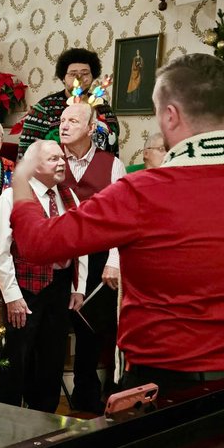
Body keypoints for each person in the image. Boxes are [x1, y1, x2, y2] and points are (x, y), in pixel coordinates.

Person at [9, 53, 224, 396]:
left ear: (170, 114)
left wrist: (23, 179)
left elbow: (39, 243)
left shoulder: (143, 191)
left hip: (164, 387)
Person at [0, 140, 86, 412]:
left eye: (61, 158)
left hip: (60, 286)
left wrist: (78, 287)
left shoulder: (69, 197)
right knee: (17, 357)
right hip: (25, 288)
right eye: (53, 159)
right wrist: (12, 297)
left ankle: (45, 417)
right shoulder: (11, 197)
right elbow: (1, 253)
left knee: (52, 356)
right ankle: (8, 415)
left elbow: (81, 243)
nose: (61, 163)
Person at [58, 101, 126, 411]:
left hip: (99, 256)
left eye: (73, 120)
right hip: (59, 255)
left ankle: (89, 393)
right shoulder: (50, 159)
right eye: (62, 119)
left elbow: (120, 218)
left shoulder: (112, 164)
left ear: (90, 128)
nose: (65, 125)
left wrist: (114, 261)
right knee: (56, 324)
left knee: (92, 327)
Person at [17, 48, 119, 159]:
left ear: (92, 76)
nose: (79, 78)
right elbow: (25, 156)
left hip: (100, 172)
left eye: (85, 73)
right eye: (73, 74)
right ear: (63, 78)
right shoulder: (44, 109)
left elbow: (114, 151)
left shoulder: (104, 108)